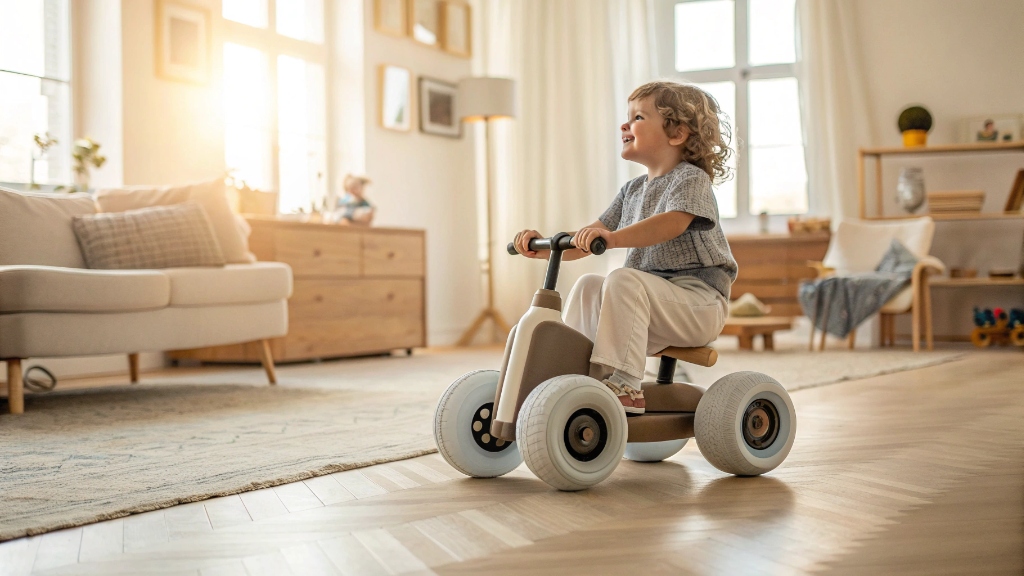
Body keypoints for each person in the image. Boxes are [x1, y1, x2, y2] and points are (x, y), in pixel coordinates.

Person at [513, 81, 737, 414]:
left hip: (699, 304)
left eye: (638, 117)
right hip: (649, 305)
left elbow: (672, 223)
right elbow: (589, 238)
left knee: (622, 279)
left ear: (676, 134)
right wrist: (545, 247)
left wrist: (615, 239)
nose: (625, 125)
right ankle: (576, 373)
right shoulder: (631, 190)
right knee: (590, 284)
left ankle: (625, 385)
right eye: (627, 117)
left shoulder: (689, 179)